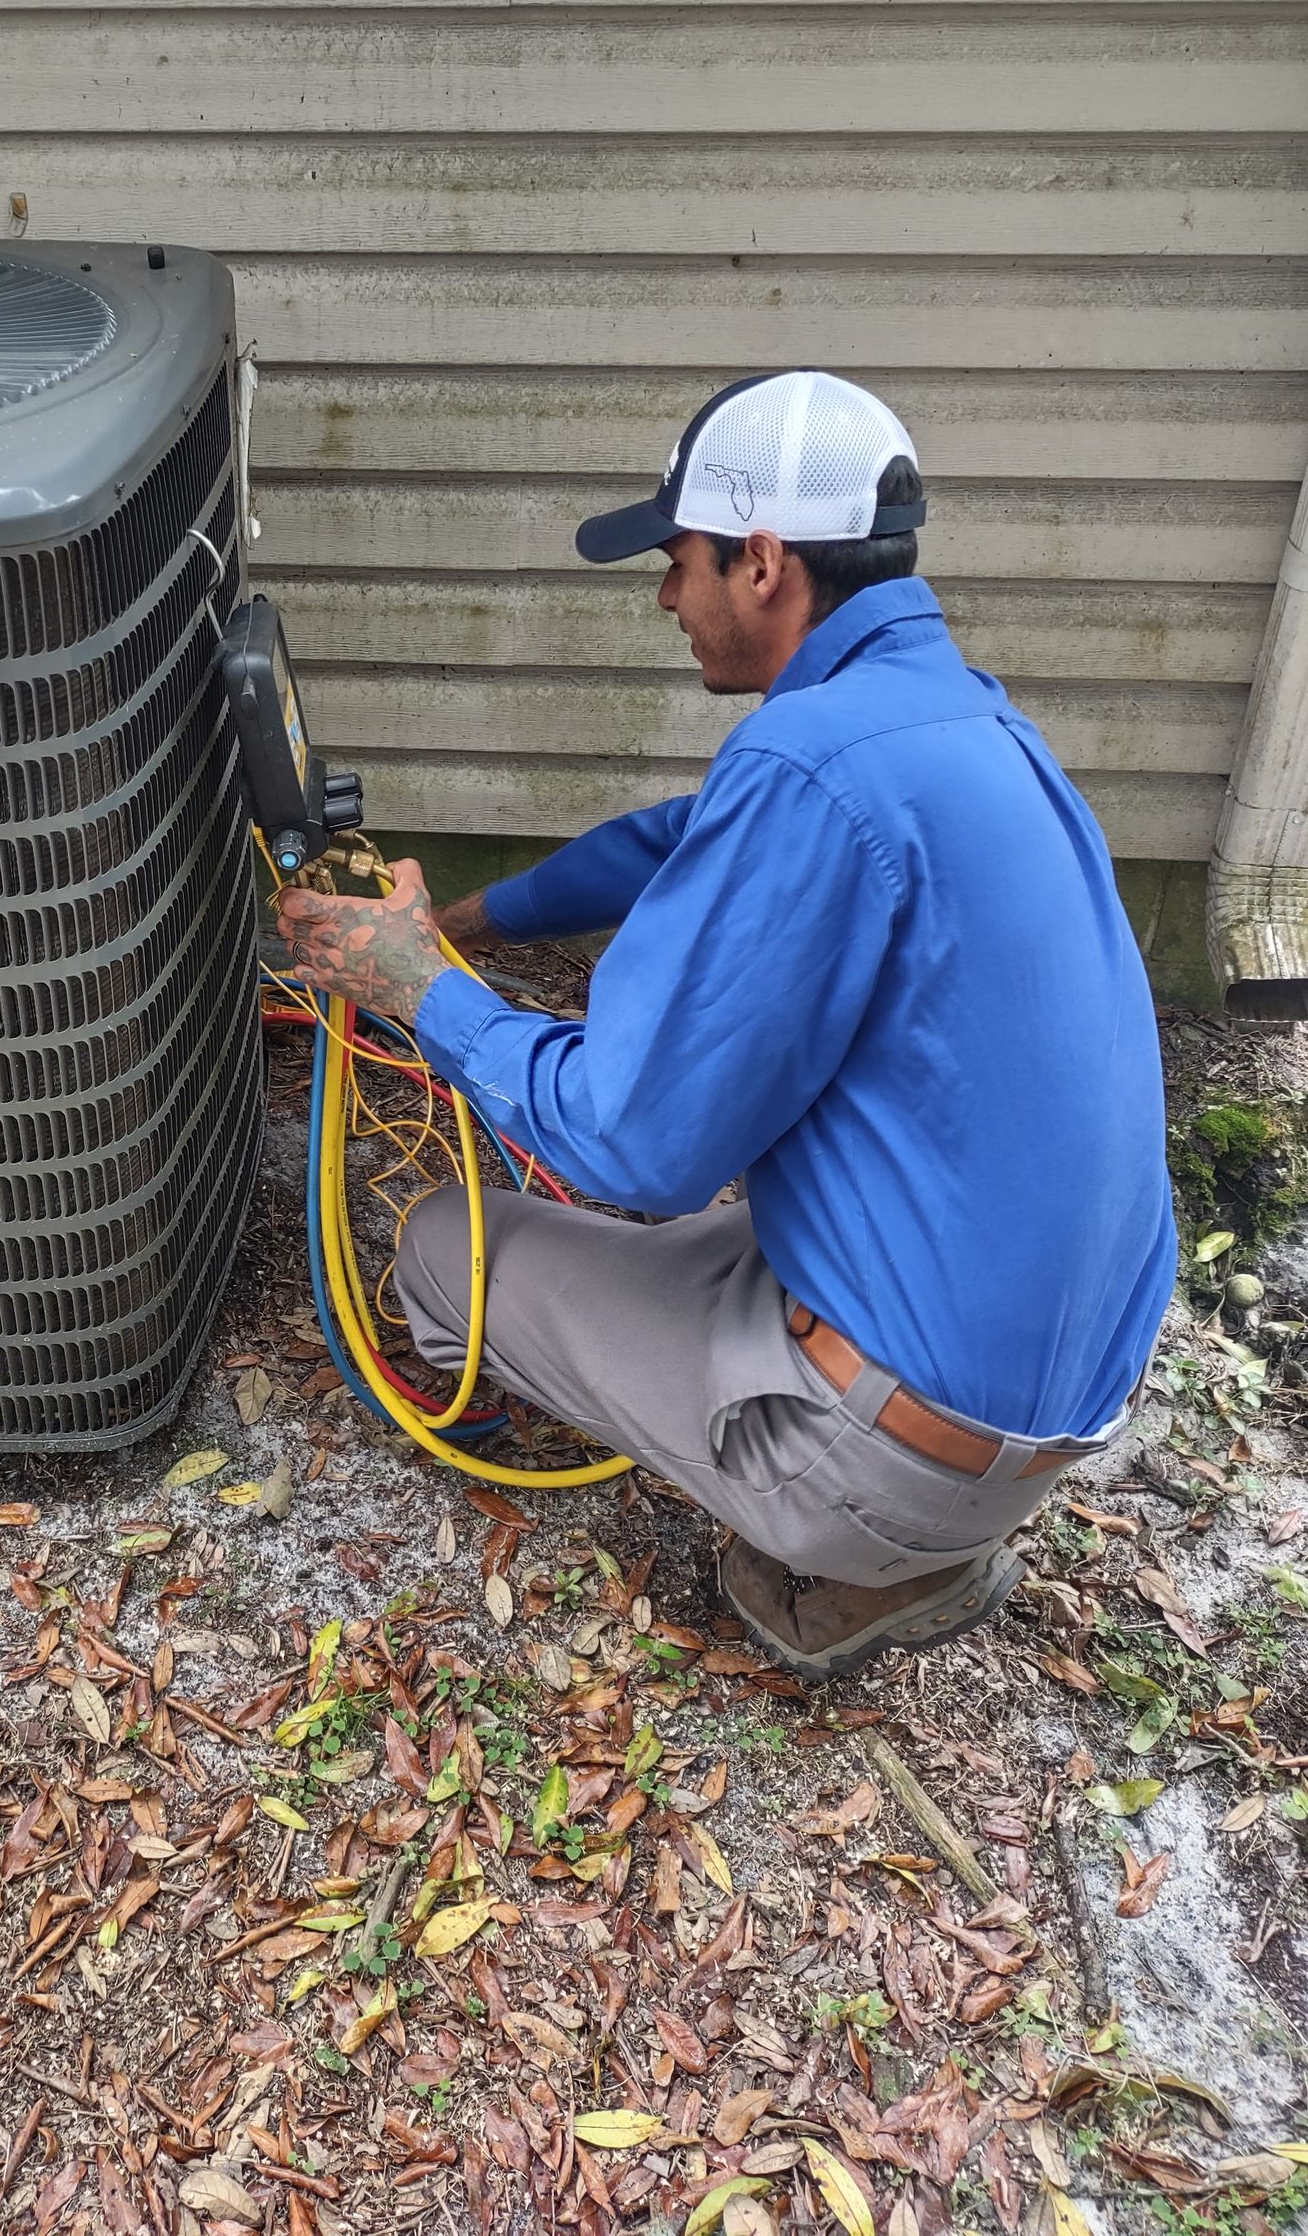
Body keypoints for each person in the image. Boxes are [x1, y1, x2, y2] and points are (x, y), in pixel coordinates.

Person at [276, 369, 1176, 1682]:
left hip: (882, 1456)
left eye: (676, 558)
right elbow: (671, 846)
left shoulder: (805, 763)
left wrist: (417, 988)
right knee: (737, 1209)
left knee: (439, 1243)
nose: (663, 595)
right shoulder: (960, 725)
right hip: (1060, 1395)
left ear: (762, 563)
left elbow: (632, 1146)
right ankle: (917, 1515)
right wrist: (463, 924)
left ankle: (870, 1553)